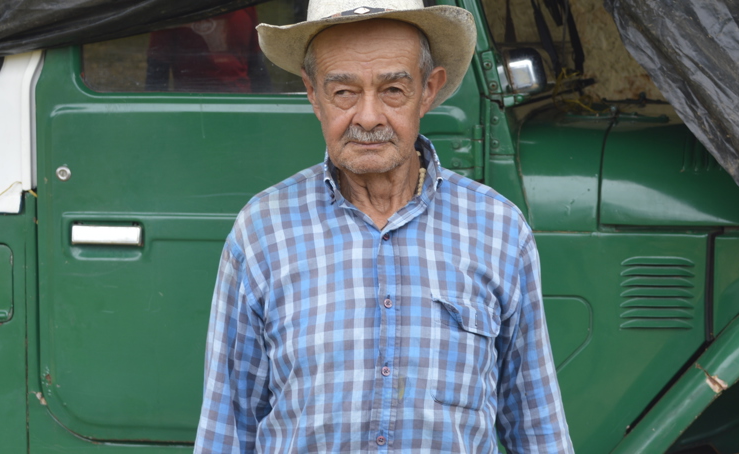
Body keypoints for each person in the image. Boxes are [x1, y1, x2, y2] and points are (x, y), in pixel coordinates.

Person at [195, 1, 573, 452]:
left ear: (429, 91)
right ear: (313, 94)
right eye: (344, 93)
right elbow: (228, 428)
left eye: (393, 90)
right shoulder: (263, 230)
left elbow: (537, 428)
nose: (369, 118)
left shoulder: (498, 230)